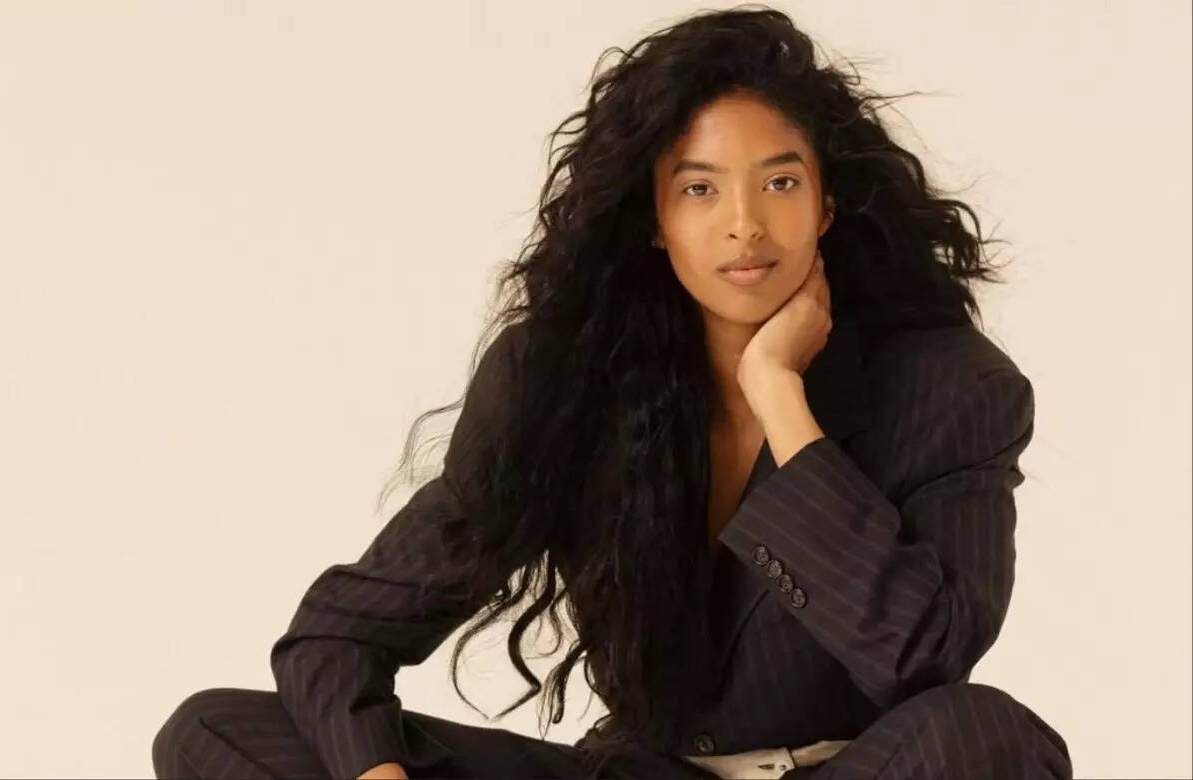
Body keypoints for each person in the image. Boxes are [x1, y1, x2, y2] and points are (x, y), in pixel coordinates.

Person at [152, 7, 1073, 779]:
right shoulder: (565, 379)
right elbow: (337, 638)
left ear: (825, 204)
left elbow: (924, 660)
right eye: (700, 189)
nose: (745, 225)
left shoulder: (952, 388)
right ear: (654, 218)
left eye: (780, 182)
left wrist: (782, 399)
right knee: (218, 732)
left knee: (985, 735)